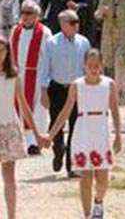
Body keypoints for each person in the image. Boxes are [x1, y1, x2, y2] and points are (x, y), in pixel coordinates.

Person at [0, 37, 47, 219]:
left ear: (7, 53)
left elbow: (24, 106)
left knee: (9, 176)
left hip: (9, 127)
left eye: (2, 51)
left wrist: (37, 134)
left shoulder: (14, 76)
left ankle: (12, 215)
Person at [46, 49, 122, 219]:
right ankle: (87, 214)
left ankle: (98, 201)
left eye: (97, 66)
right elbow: (65, 112)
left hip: (102, 128)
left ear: (101, 66)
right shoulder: (76, 85)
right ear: (84, 66)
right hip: (83, 130)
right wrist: (50, 135)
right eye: (90, 66)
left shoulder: (109, 84)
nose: (93, 69)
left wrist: (118, 135)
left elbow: (115, 111)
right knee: (85, 177)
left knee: (103, 177)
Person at [38, 10, 90, 178]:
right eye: (72, 22)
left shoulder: (84, 42)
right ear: (63, 24)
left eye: (77, 21)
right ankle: (58, 151)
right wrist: (43, 91)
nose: (76, 25)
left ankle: (72, 165)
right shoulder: (51, 43)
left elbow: (87, 67)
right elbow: (45, 68)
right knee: (56, 124)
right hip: (57, 88)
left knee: (76, 127)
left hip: (76, 89)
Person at [10, 0, 52, 155]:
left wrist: (46, 79)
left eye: (29, 13)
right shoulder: (15, 31)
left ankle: (35, 141)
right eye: (23, 12)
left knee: (38, 110)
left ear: (37, 15)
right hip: (19, 74)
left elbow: (48, 57)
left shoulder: (45, 32)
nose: (25, 16)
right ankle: (20, 140)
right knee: (19, 108)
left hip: (37, 75)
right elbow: (10, 52)